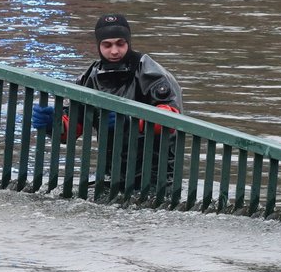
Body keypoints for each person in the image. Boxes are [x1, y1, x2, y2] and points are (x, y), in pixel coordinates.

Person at [31, 13, 184, 188]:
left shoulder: (151, 74)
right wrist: (53, 123)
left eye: (120, 44)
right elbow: (73, 130)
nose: (114, 51)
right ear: (98, 45)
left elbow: (172, 118)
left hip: (159, 177)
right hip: (112, 175)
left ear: (128, 42)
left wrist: (129, 121)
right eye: (107, 45)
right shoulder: (89, 78)